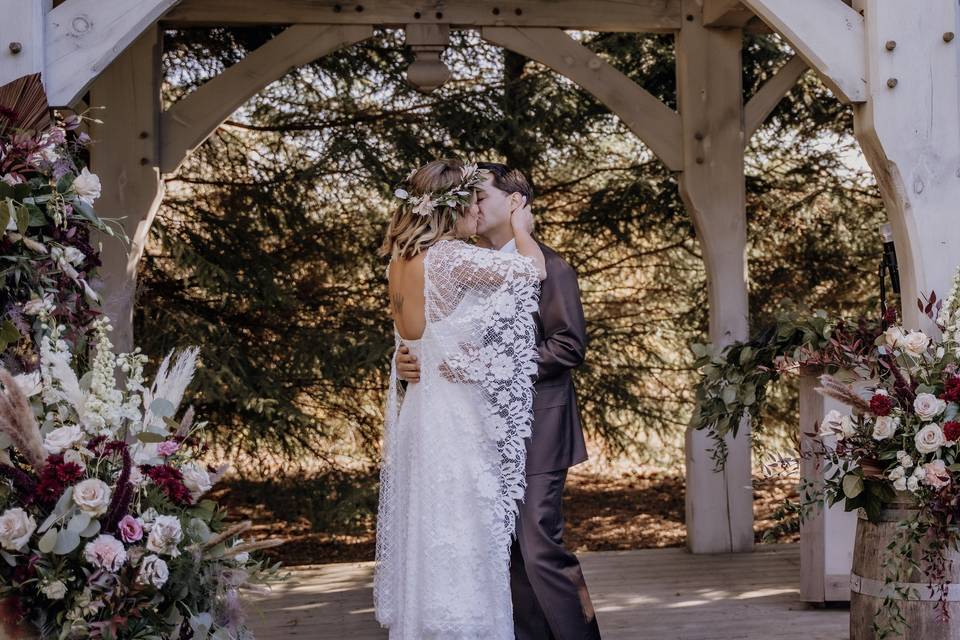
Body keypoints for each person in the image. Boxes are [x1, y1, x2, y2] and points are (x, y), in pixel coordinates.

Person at [396, 163, 602, 640]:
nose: (471, 204)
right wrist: (414, 362)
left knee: (539, 548)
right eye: (465, 197)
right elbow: (434, 334)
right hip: (477, 431)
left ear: (515, 202)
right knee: (500, 552)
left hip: (539, 431)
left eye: (480, 195)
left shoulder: (552, 266)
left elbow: (567, 347)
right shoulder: (462, 263)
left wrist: (480, 366)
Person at [374, 158, 547, 640]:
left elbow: (412, 344)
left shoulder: (398, 264)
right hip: (453, 420)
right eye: (470, 201)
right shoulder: (449, 258)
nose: (476, 210)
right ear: (451, 207)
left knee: (428, 534)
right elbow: (531, 271)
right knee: (462, 534)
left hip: (421, 415)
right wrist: (521, 226)